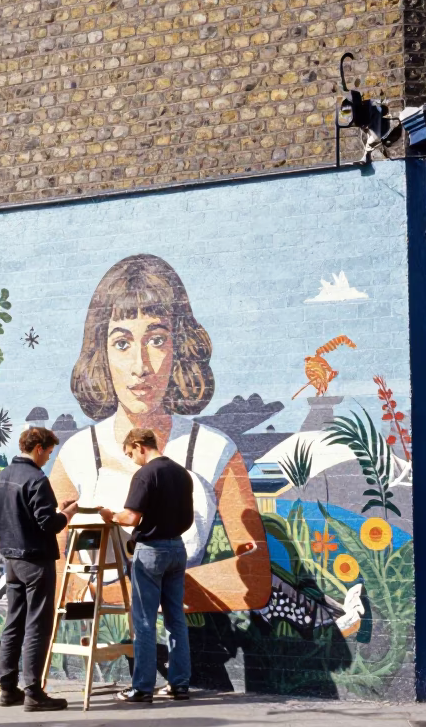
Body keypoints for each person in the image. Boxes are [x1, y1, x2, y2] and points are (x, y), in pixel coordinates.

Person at [50, 253, 270, 613]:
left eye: (156, 339)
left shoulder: (214, 452)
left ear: (178, 345)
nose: (140, 366)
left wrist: (123, 594)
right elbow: (50, 560)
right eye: (122, 344)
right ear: (101, 354)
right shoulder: (77, 455)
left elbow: (254, 576)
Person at [101, 427, 194, 703]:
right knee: (176, 619)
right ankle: (179, 685)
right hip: (177, 548)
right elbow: (187, 518)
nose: (133, 459)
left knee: (144, 621)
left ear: (140, 445)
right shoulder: (181, 473)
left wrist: (110, 515)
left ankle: (142, 687)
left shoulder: (145, 474)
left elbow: (130, 518)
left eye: (131, 453)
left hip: (151, 551)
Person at [0, 426, 78, 712]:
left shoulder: (1, 477)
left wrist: (55, 511)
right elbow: (48, 524)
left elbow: (11, 516)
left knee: (13, 622)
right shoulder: (37, 478)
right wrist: (66, 514)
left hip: (12, 560)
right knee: (38, 625)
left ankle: (7, 689)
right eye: (49, 453)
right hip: (36, 561)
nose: (48, 460)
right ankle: (33, 692)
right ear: (38, 448)